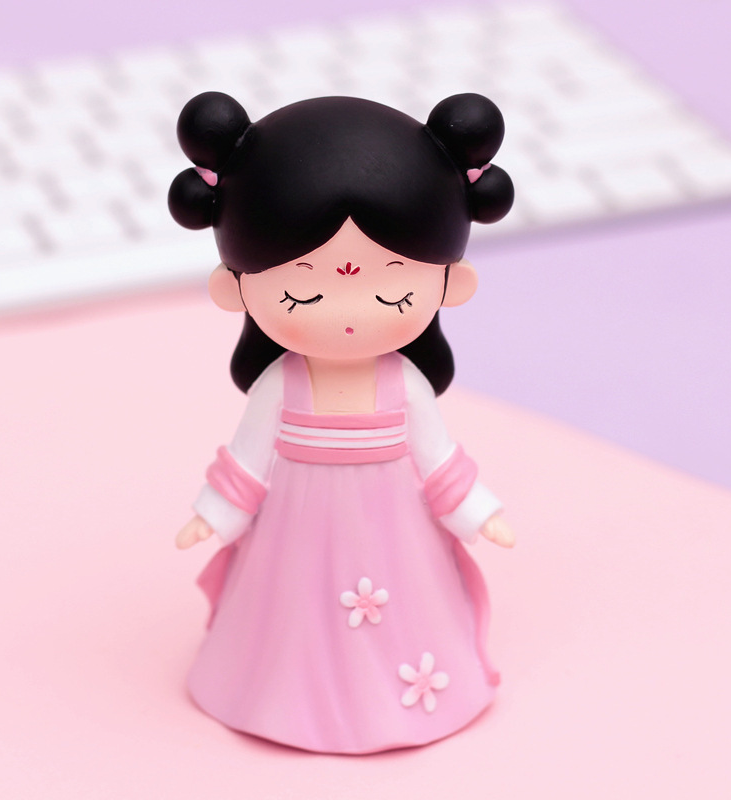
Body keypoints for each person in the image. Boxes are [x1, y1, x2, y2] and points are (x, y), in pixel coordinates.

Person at [168, 92, 515, 753]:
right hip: (295, 536)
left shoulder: (405, 384)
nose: (349, 313)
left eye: (392, 291)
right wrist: (214, 513)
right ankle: (280, 694)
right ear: (234, 288)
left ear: (451, 284)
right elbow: (247, 458)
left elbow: (438, 459)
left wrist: (477, 511)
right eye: (303, 292)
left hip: (395, 537)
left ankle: (401, 699)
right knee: (292, 619)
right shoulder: (281, 384)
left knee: (403, 623)